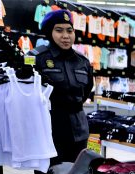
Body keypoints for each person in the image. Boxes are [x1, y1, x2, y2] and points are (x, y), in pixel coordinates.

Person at [31, 10, 93, 164]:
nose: (66, 36)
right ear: (49, 32)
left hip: (79, 132)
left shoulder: (83, 62)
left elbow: (86, 92)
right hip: (49, 132)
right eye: (59, 30)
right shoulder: (36, 58)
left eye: (69, 31)